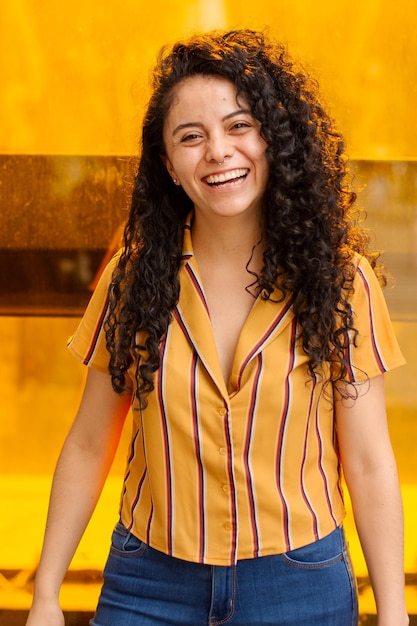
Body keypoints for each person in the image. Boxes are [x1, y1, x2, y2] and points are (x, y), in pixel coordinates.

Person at [26, 29, 409, 626]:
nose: (218, 152)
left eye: (239, 126)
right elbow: (86, 443)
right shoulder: (131, 279)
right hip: (147, 585)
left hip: (300, 586)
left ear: (274, 141)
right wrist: (46, 592)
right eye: (191, 137)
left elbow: (367, 459)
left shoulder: (340, 280)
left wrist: (391, 612)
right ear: (169, 165)